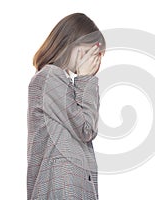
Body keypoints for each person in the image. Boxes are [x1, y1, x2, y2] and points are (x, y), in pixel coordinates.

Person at [27, 13, 105, 200]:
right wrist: (86, 79)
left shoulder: (61, 81)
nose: (95, 60)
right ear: (74, 44)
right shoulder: (49, 77)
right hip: (61, 188)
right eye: (92, 51)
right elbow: (86, 129)